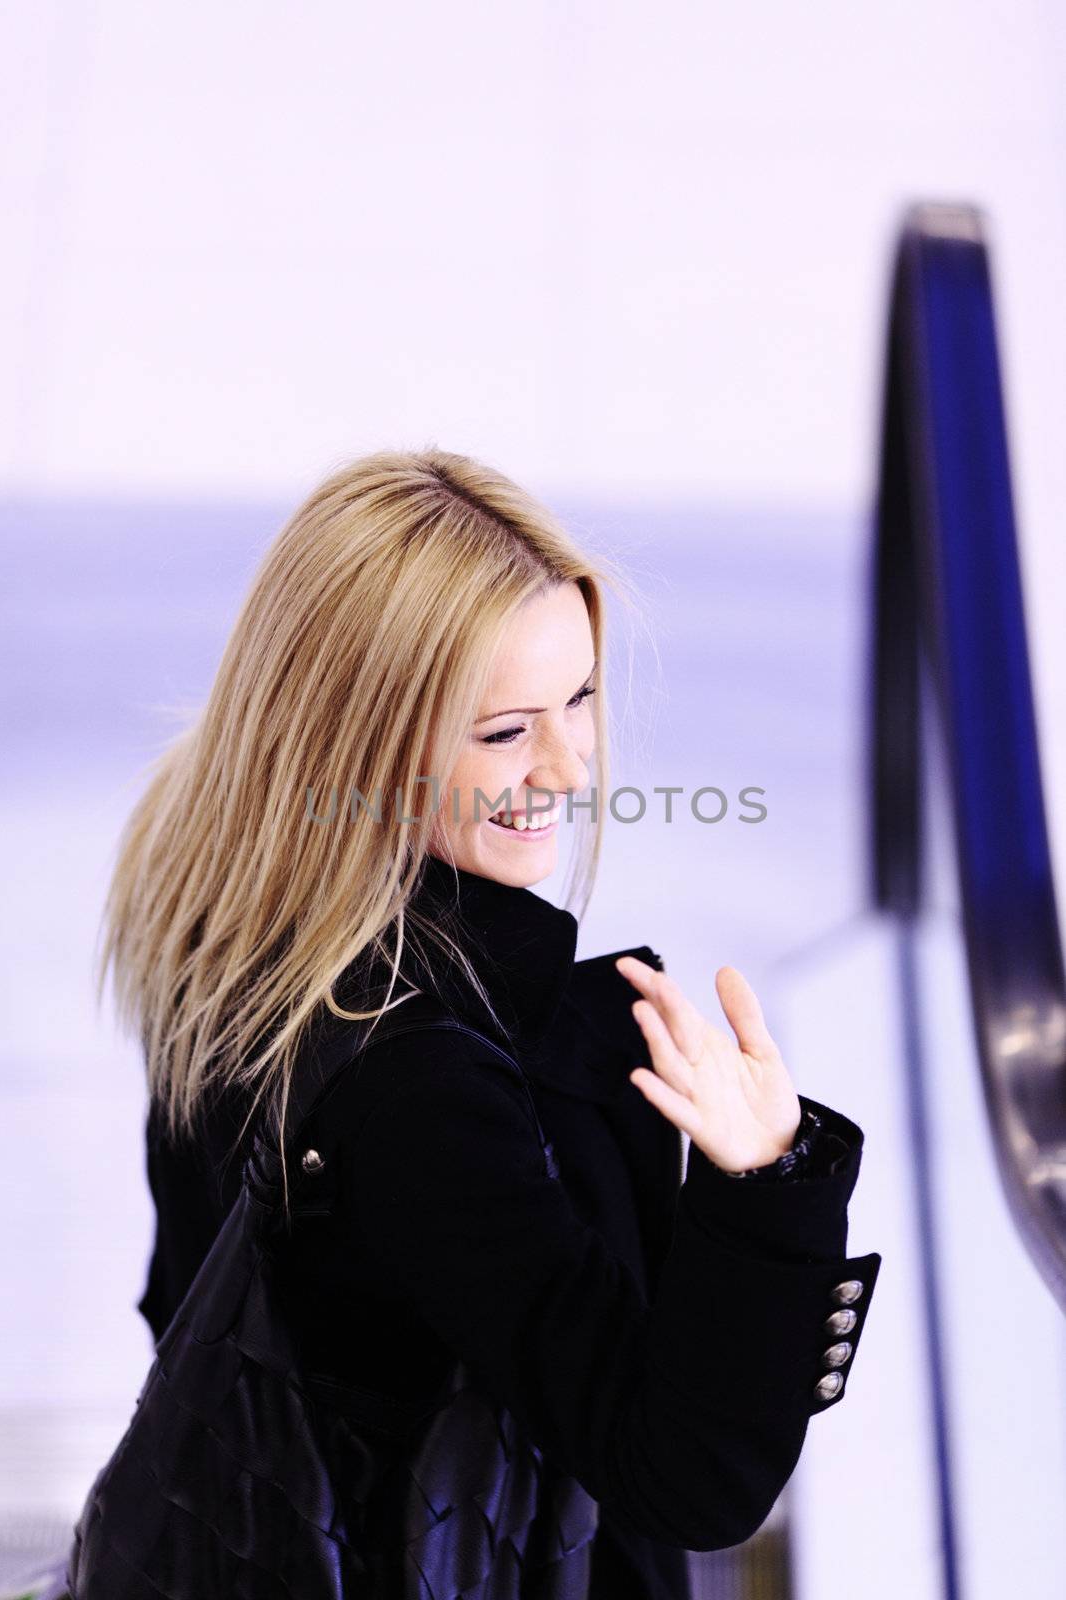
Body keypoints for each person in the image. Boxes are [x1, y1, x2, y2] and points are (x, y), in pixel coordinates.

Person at [97, 448, 882, 1599]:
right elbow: (681, 1477)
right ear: (347, 739)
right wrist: (766, 1178)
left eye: (577, 699)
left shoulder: (225, 890)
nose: (571, 766)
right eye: (503, 732)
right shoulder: (419, 1078)